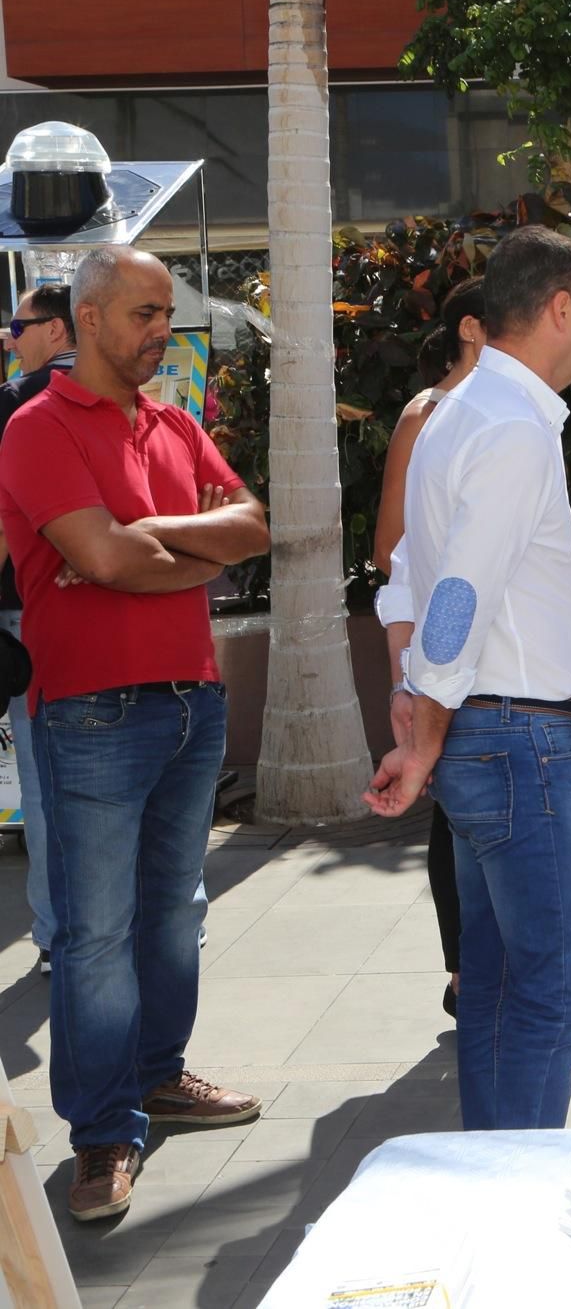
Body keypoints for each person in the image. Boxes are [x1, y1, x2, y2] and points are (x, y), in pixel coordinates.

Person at [0, 246, 270, 1220]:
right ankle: (103, 1134)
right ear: (89, 317)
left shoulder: (175, 420)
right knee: (95, 935)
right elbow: (103, 559)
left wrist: (150, 543)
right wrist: (168, 547)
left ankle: (160, 1076)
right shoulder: (35, 429)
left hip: (193, 700)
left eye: (165, 311)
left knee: (172, 912)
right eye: (146, 312)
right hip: (91, 710)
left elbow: (252, 524)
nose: (163, 327)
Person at [364, 225, 571, 1132]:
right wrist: (423, 732)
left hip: (489, 736)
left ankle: (493, 1189)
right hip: (514, 740)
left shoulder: (459, 414)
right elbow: (455, 593)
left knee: (501, 990)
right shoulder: (507, 426)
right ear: (555, 309)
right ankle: (523, 1202)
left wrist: (418, 713)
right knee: (551, 998)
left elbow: (415, 580)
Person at [372, 275, 484, 1018]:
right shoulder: (429, 414)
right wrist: (408, 672)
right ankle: (461, 969)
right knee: (454, 815)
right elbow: (392, 552)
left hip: (504, 656)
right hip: (444, 656)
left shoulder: (515, 410)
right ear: (475, 328)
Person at [0, 282, 75, 976]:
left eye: (17, 326)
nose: (9, 338)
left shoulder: (18, 405)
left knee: (46, 784)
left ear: (55, 329)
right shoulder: (133, 398)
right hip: (108, 609)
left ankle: (59, 932)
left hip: (28, 616)